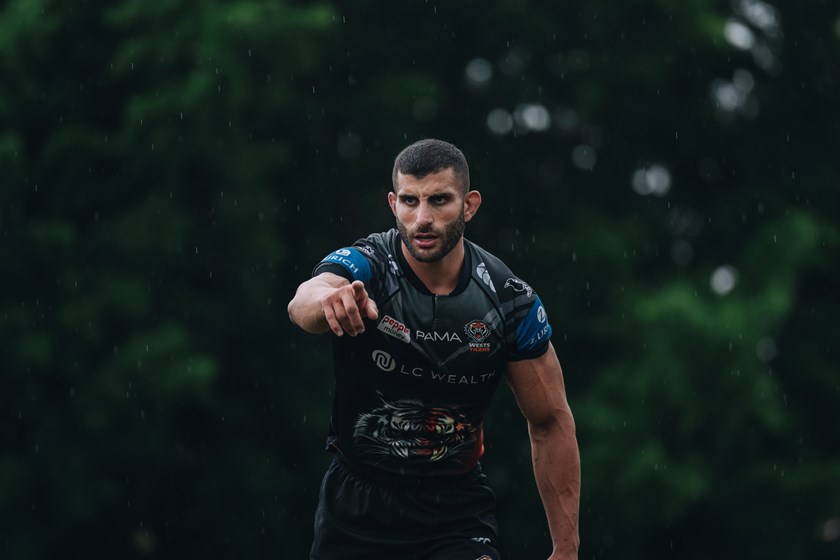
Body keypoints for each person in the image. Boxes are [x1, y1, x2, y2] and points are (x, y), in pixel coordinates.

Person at [287, 139, 580, 560]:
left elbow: (550, 422)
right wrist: (327, 301)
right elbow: (304, 299)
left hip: (455, 512)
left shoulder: (508, 300)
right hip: (356, 508)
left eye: (439, 200)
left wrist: (566, 549)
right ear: (393, 204)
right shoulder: (370, 264)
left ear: (469, 205)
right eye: (410, 201)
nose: (422, 218)